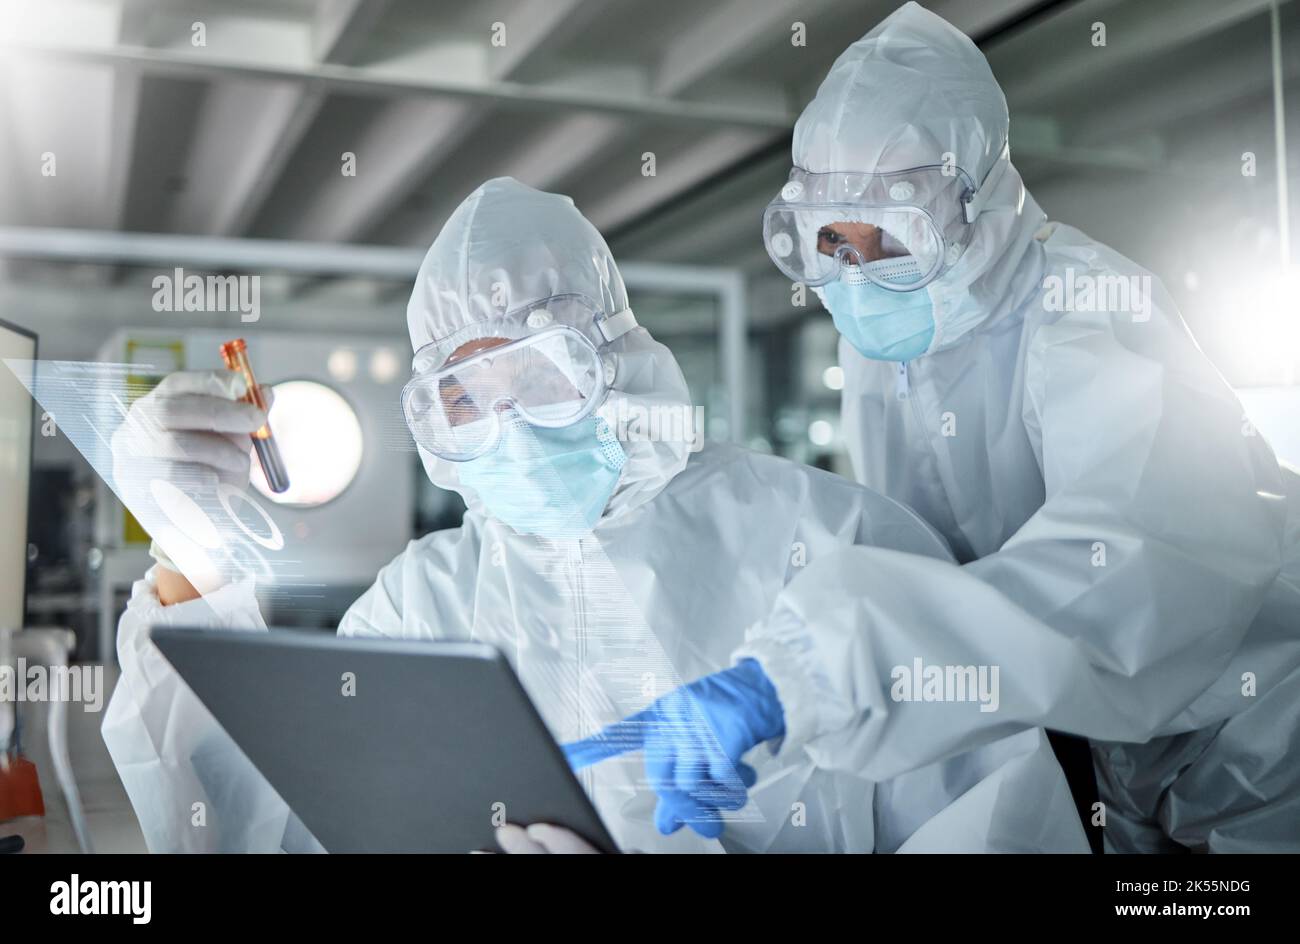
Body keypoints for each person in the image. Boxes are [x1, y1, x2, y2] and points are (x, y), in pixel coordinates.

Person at [101, 177, 1088, 853]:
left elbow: (998, 828)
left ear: (611, 357)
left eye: (534, 376)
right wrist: (197, 559)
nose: (507, 426)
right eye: (465, 398)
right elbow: (265, 832)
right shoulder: (418, 603)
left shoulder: (834, 539)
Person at [728, 2, 1299, 852]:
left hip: (1243, 749)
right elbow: (921, 559)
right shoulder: (897, 352)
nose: (854, 273)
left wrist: (831, 663)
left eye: (886, 237)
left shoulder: (1086, 307)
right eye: (829, 242)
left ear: (976, 202)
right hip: (1092, 755)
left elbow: (1127, 568)